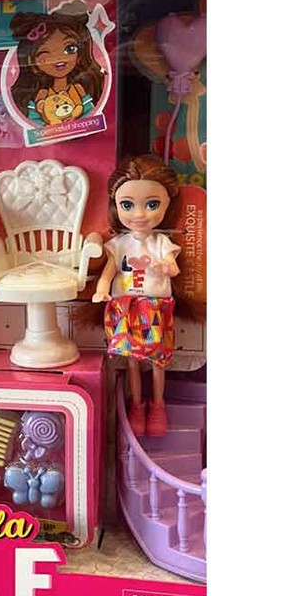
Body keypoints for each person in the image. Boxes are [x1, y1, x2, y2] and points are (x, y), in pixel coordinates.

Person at [92, 155, 181, 436]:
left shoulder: (161, 242)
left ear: (167, 204)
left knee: (158, 361)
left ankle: (158, 406)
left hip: (155, 306)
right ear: (115, 205)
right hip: (126, 306)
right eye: (127, 205)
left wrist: (164, 266)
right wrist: (101, 289)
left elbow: (174, 268)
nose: (139, 214)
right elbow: (109, 271)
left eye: (152, 204)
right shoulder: (119, 244)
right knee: (132, 361)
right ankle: (137, 406)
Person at [10, 2, 104, 126]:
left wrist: (76, 120)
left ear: (80, 55)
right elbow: (34, 121)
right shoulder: (41, 95)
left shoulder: (78, 89)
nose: (58, 58)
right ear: (32, 64)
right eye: (44, 53)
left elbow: (90, 114)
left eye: (70, 49)